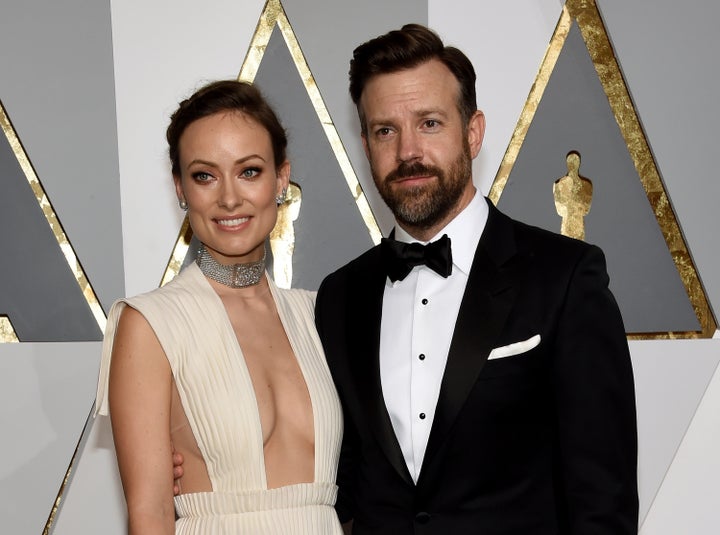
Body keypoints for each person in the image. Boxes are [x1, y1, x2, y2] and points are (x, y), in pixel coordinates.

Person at [314, 24, 639, 534]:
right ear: (365, 143)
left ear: (473, 131)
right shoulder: (340, 297)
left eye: (429, 123)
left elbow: (603, 498)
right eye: (385, 130)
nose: (407, 153)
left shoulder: (564, 278)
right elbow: (339, 478)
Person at [95, 80, 344, 534]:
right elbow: (149, 515)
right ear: (180, 189)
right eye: (204, 175)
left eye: (249, 171)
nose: (229, 198)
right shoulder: (150, 324)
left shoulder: (319, 315)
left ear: (281, 179)